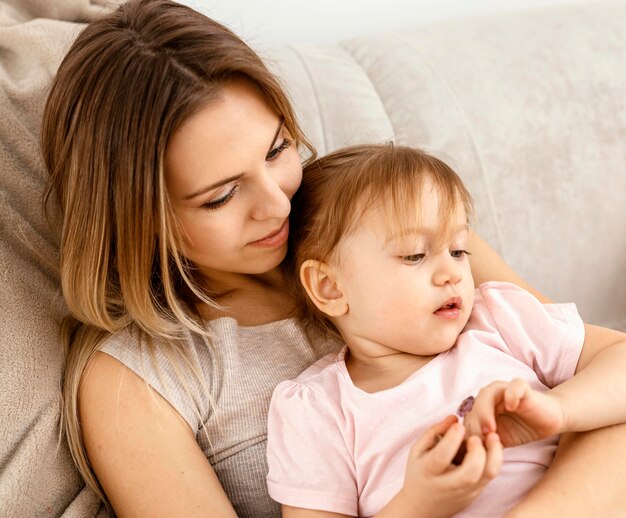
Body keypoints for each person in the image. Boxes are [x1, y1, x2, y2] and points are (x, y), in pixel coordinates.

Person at [39, 0, 626, 516]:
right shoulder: (140, 380)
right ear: (135, 217)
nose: (277, 206)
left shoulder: (397, 228)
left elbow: (593, 399)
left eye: (277, 150)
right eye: (221, 195)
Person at [266, 143, 626, 517]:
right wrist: (418, 505)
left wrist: (558, 409)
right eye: (415, 255)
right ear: (330, 287)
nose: (451, 273)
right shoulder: (318, 409)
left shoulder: (499, 321)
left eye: (457, 250)